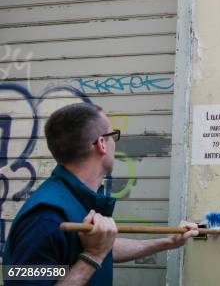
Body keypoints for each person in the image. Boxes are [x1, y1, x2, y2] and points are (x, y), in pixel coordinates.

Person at [3, 102, 199, 285]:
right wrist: (93, 255)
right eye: (113, 135)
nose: (115, 143)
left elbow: (103, 248)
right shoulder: (44, 219)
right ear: (101, 144)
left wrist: (168, 242)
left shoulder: (77, 199)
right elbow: (95, 251)